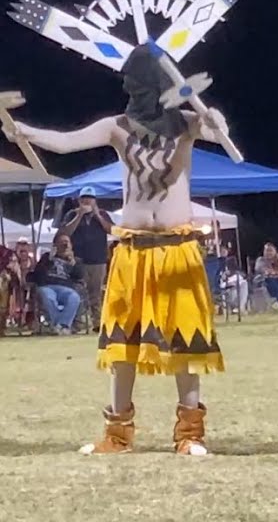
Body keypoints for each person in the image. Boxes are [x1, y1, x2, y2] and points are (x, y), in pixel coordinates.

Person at [6, 45, 230, 455]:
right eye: (128, 86)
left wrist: (212, 122)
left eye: (139, 86)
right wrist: (26, 132)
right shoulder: (117, 126)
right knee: (121, 343)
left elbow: (218, 132)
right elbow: (67, 141)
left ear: (160, 87)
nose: (132, 93)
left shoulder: (184, 122)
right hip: (132, 249)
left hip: (177, 248)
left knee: (185, 339)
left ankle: (190, 434)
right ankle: (117, 433)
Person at [59, 187, 112, 323]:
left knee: (96, 293)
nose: (87, 200)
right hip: (78, 259)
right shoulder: (71, 214)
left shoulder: (103, 214)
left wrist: (97, 215)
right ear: (79, 200)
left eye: (90, 198)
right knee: (78, 291)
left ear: (95, 200)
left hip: (98, 260)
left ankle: (97, 322)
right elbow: (65, 233)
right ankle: (78, 322)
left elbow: (111, 230)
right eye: (84, 198)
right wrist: (79, 216)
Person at [33, 233, 84, 334]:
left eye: (67, 243)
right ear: (55, 245)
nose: (64, 245)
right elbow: (37, 274)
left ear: (71, 245)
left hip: (66, 287)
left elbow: (80, 277)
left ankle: (60, 325)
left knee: (74, 297)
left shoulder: (76, 260)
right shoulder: (47, 257)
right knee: (48, 297)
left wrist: (73, 263)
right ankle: (62, 326)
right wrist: (48, 261)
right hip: (48, 286)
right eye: (61, 242)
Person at [254, 243, 278, 312]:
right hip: (263, 281)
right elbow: (267, 272)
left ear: (275, 252)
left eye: (271, 251)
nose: (268, 253)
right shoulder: (261, 260)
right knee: (272, 281)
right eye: (267, 251)